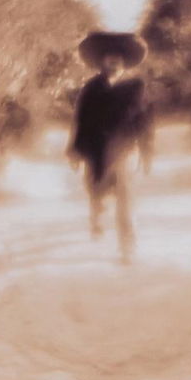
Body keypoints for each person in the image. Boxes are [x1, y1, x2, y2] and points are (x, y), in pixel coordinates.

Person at [69, 31, 153, 262]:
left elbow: (145, 122)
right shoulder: (91, 88)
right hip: (97, 150)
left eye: (118, 56)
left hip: (126, 149)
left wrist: (146, 153)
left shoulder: (136, 86)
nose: (114, 60)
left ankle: (128, 248)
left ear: (124, 60)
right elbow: (81, 120)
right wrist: (75, 150)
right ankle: (97, 215)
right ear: (102, 61)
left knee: (126, 200)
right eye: (109, 56)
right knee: (96, 192)